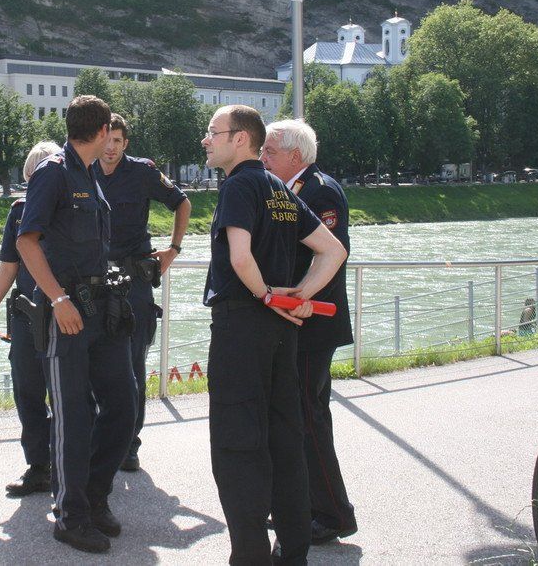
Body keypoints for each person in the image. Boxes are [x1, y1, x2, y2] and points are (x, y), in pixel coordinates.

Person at [201, 105, 347, 565]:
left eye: (213, 132)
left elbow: (240, 256)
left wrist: (266, 295)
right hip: (282, 332)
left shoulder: (238, 185)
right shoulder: (278, 188)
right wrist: (298, 296)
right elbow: (333, 251)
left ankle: (250, 556)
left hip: (242, 326)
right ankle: (293, 551)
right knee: (285, 439)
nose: (206, 140)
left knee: (237, 443)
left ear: (240, 138)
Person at [16, 95, 137, 554]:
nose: (114, 142)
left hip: (101, 308)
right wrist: (58, 298)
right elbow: (27, 242)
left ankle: (94, 497)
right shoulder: (53, 172)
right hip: (66, 311)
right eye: (112, 134)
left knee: (122, 404)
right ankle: (71, 516)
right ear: (103, 131)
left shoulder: (88, 174)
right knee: (73, 415)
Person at [261, 119, 358, 545]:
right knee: (295, 416)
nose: (263, 158)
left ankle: (334, 513)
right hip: (294, 321)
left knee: (308, 418)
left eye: (269, 152)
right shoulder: (285, 189)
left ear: (295, 156)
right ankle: (300, 505)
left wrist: (301, 294)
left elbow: (331, 256)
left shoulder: (321, 191)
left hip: (313, 322)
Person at [92, 113, 191, 472]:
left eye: (118, 141)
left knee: (132, 364)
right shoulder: (81, 170)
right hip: (92, 280)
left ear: (126, 144)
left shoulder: (143, 172)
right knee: (91, 361)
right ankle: (97, 439)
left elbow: (182, 202)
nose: (111, 148)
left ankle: (128, 445)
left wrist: (173, 249)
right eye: (106, 140)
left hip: (132, 281)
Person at [0, 140, 62, 497]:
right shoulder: (19, 211)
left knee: (62, 392)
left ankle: (61, 464)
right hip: (28, 315)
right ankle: (40, 465)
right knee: (28, 391)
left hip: (61, 313)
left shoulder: (74, 208)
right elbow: (9, 266)